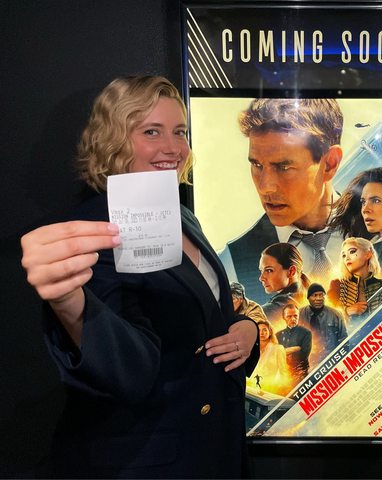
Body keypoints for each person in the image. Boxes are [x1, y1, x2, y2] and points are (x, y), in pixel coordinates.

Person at [19, 76, 259, 478]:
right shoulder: (92, 233)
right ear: (113, 140)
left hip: (215, 448)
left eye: (179, 132)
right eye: (152, 131)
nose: (173, 147)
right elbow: (129, 370)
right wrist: (68, 301)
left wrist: (246, 330)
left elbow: (204, 314)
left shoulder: (182, 217)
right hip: (149, 463)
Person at [219, 98, 344, 303]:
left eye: (283, 167)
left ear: (330, 164)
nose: (264, 187)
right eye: (257, 165)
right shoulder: (230, 268)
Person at [327, 237, 382, 329]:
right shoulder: (337, 286)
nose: (347, 258)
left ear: (368, 254)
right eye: (343, 255)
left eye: (352, 252)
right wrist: (347, 311)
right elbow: (324, 318)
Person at [259, 242, 310, 325]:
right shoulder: (307, 296)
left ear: (291, 271)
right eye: (262, 271)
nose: (261, 278)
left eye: (269, 270)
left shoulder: (275, 308)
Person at [299, 283, 348, 363]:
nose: (318, 298)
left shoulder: (335, 314)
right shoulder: (299, 314)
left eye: (321, 295)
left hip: (331, 361)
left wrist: (340, 361)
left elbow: (344, 341)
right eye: (315, 295)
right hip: (306, 363)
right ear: (308, 298)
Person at [249, 319, 291, 395]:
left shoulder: (278, 348)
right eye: (259, 330)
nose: (261, 333)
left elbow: (283, 372)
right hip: (249, 389)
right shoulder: (251, 349)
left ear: (270, 332)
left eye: (264, 330)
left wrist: (285, 390)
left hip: (268, 391)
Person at [276, 303, 312, 384]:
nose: (293, 319)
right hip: (283, 376)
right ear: (284, 317)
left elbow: (304, 354)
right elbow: (275, 355)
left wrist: (284, 352)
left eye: (295, 316)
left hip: (301, 375)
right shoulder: (277, 335)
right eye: (289, 316)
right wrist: (296, 349)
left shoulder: (306, 333)